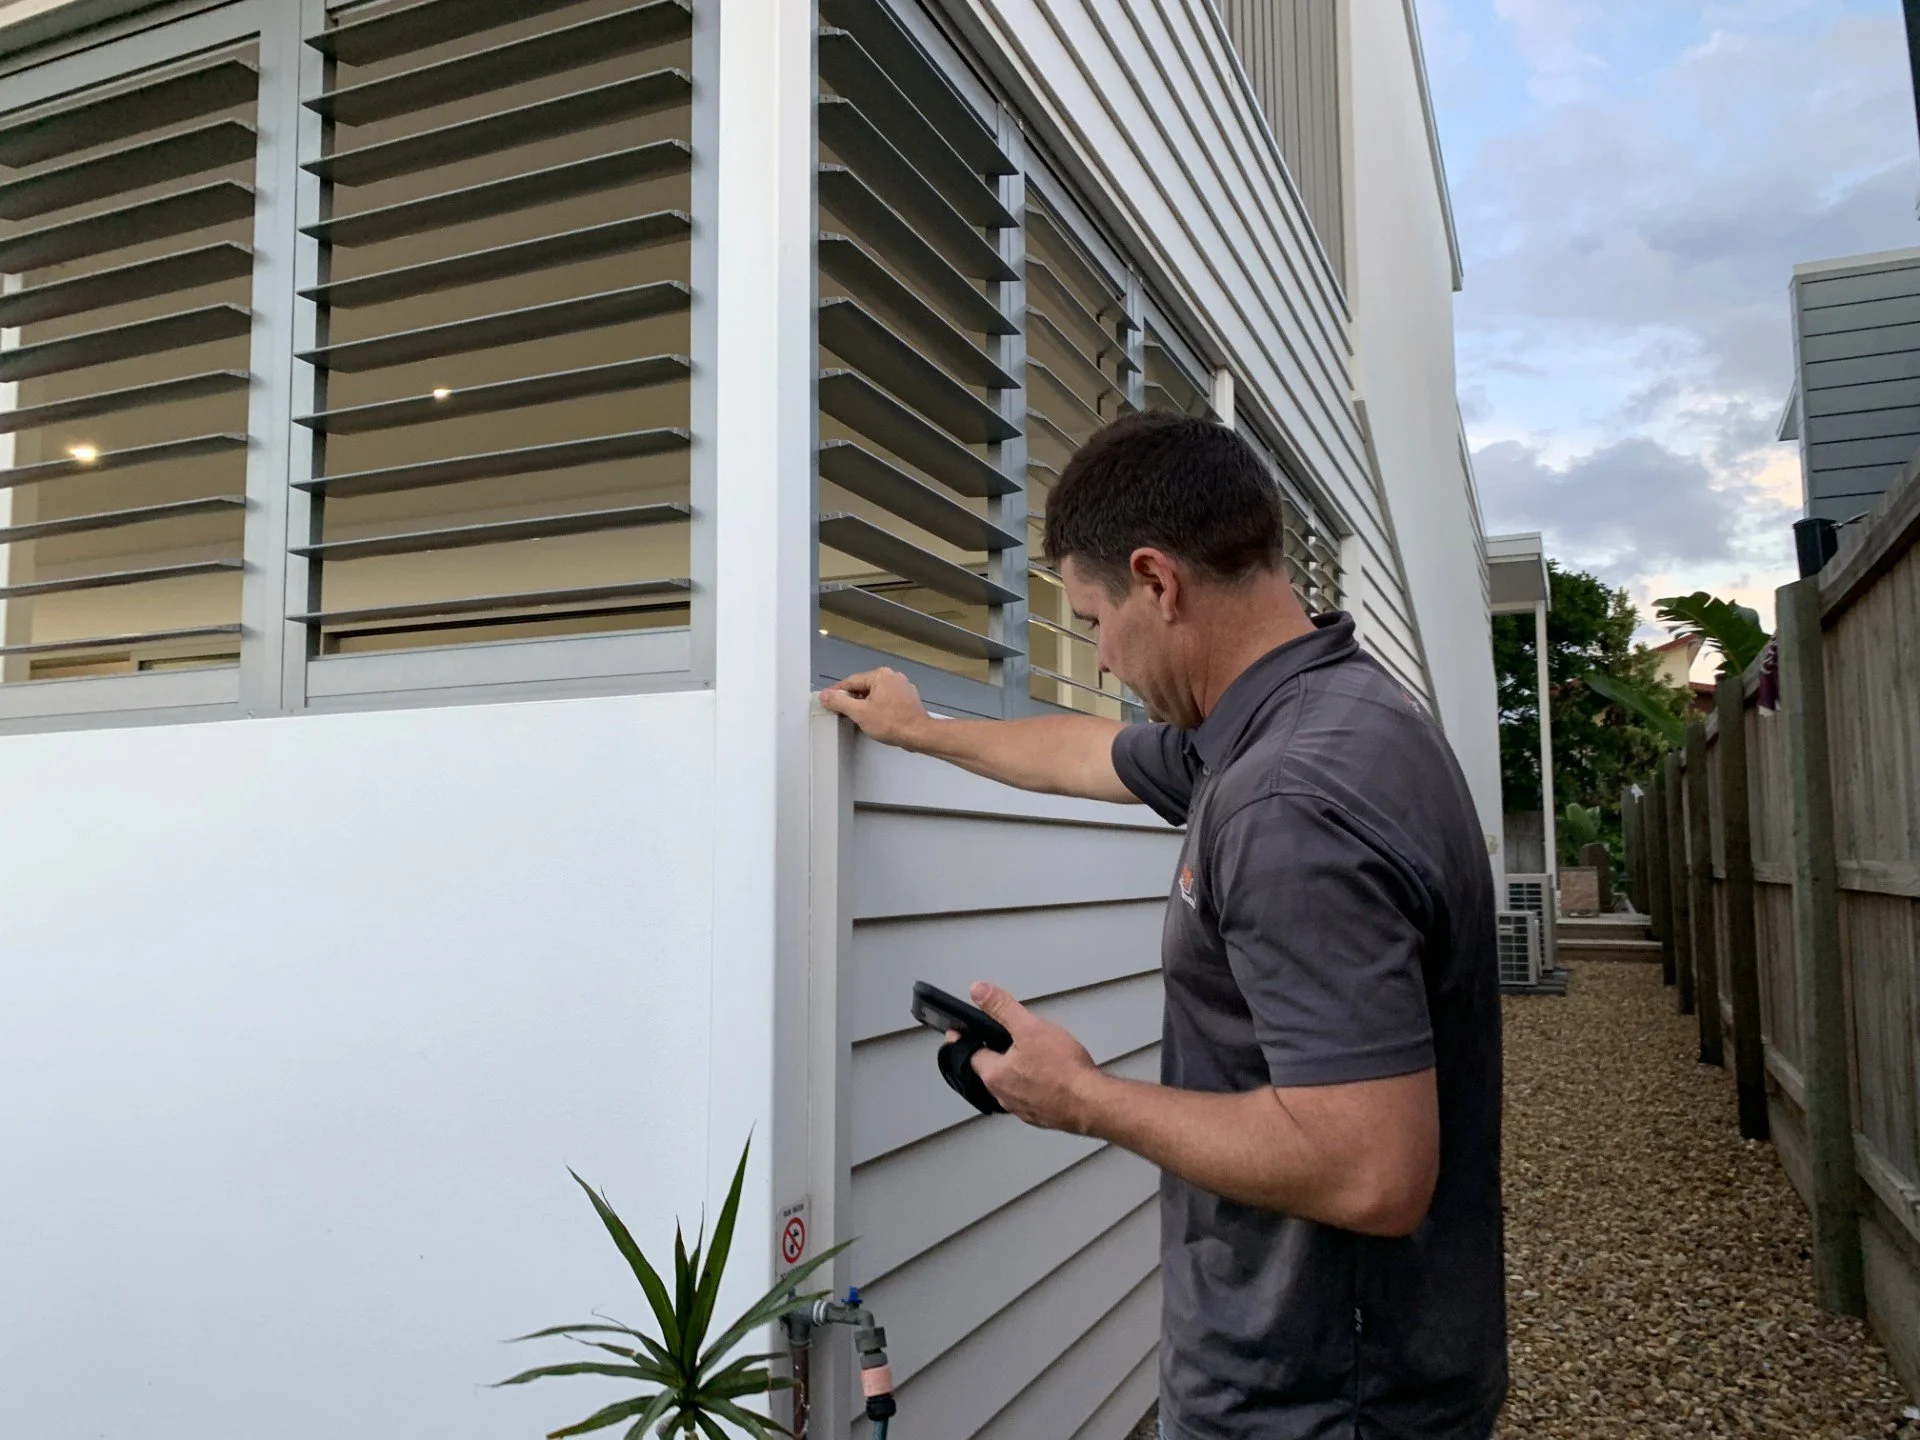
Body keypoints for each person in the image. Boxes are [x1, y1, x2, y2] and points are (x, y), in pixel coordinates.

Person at [820, 412, 1506, 1440]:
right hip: (1378, 1366)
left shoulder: (1286, 800)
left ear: (1158, 581)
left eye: (1093, 617)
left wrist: (1084, 1098)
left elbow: (1370, 1170)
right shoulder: (1317, 716)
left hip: (1321, 1401)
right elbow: (1091, 755)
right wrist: (925, 733)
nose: (1099, 658)